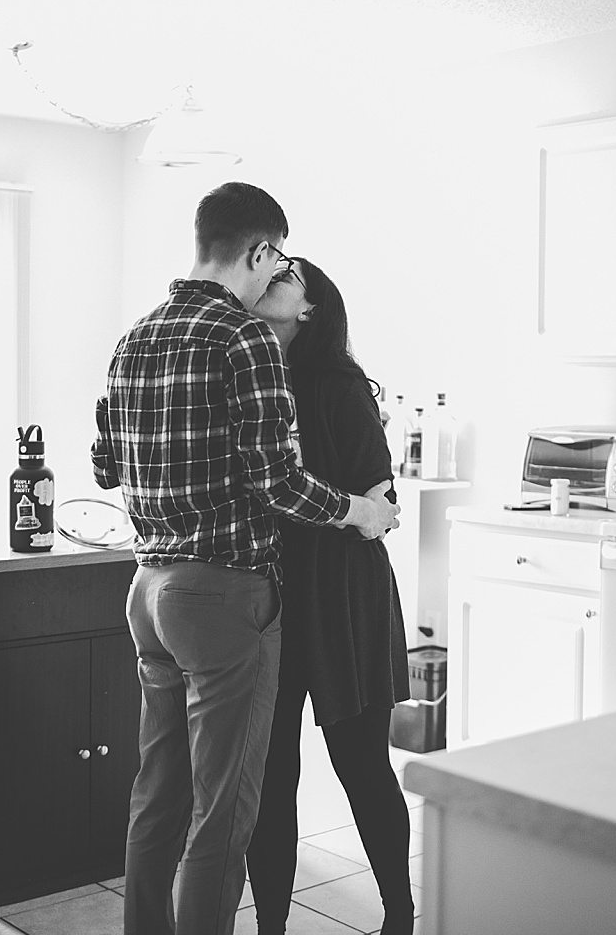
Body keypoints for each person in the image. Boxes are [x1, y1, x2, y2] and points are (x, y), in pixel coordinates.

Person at [91, 181, 400, 935]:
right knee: (226, 808)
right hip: (222, 595)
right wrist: (361, 510)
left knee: (159, 793)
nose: (279, 275)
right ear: (259, 252)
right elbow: (276, 481)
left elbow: (106, 464)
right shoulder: (244, 339)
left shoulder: (136, 334)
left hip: (147, 590)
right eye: (278, 260)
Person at [245, 257, 416, 935]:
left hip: (345, 593)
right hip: (273, 591)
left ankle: (399, 915)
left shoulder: (339, 385)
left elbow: (381, 495)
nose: (267, 283)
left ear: (309, 310)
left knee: (361, 764)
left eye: (284, 280)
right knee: (270, 773)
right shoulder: (247, 377)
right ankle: (270, 928)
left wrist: (369, 504)